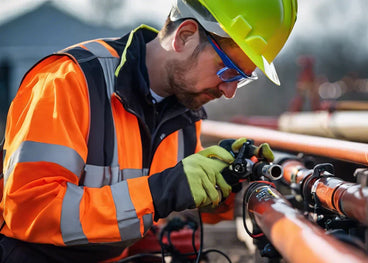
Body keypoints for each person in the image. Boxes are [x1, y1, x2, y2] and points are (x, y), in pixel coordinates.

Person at [0, 0, 297, 262]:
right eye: (227, 70)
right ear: (185, 36)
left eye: (241, 79)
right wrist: (158, 192)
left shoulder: (183, 115)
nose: (230, 91)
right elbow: (30, 211)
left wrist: (231, 180)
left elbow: (180, 200)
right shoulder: (68, 82)